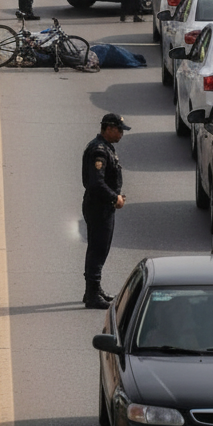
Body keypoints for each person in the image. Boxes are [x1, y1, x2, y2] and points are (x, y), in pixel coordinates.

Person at [81, 113, 128, 309]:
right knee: (98, 249)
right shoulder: (99, 151)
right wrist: (114, 197)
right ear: (108, 128)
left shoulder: (105, 147)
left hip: (101, 206)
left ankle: (93, 289)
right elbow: (96, 183)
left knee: (99, 247)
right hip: (99, 206)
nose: (121, 134)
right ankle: (92, 294)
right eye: (119, 130)